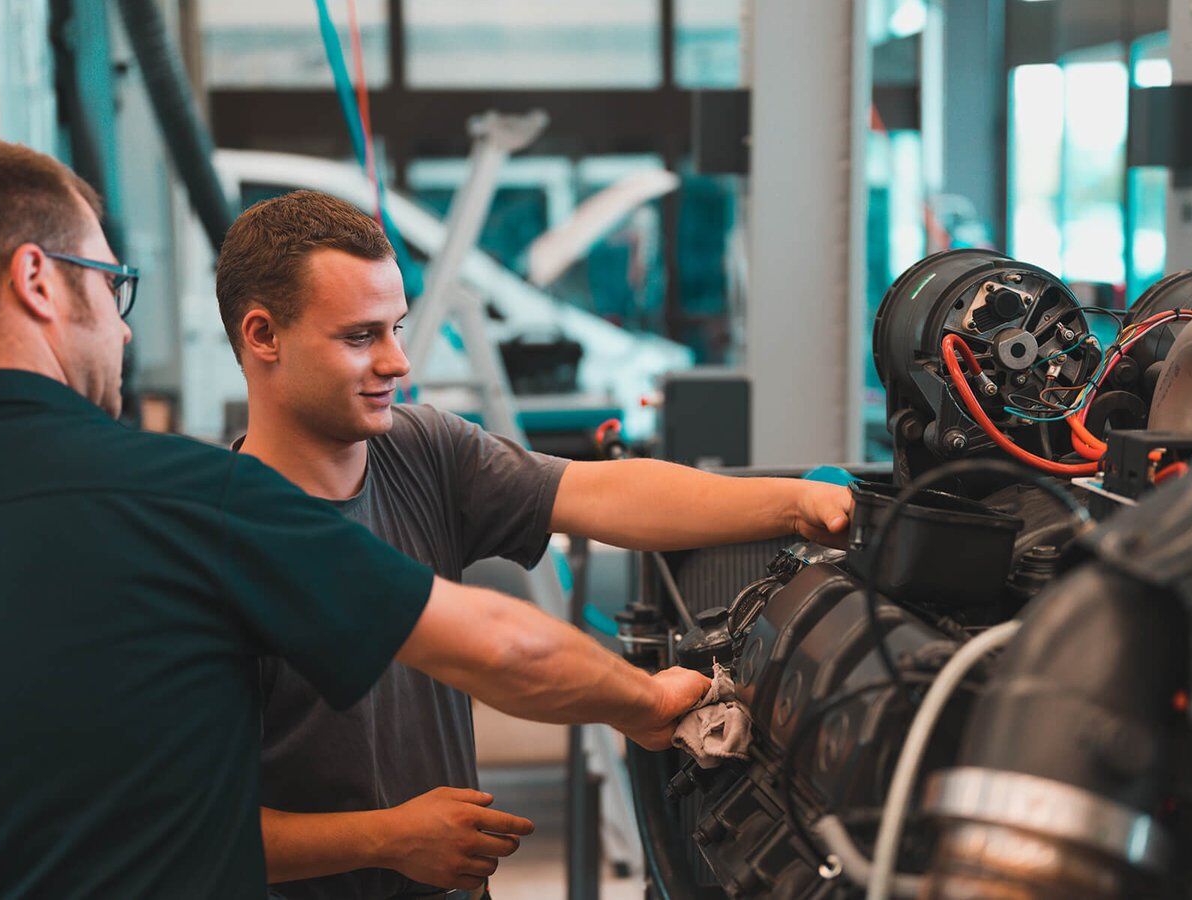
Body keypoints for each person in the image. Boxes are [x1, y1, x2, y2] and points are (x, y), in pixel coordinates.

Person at [0, 139, 709, 900]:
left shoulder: (399, 455)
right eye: (111, 285)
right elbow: (501, 647)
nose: (120, 325)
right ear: (38, 279)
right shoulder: (186, 502)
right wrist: (645, 705)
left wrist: (800, 501)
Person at [215, 190, 856, 898]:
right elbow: (189, 828)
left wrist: (798, 504)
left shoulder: (421, 448)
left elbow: (598, 494)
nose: (397, 362)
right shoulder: (215, 544)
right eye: (360, 337)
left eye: (396, 328)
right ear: (263, 336)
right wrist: (387, 838)